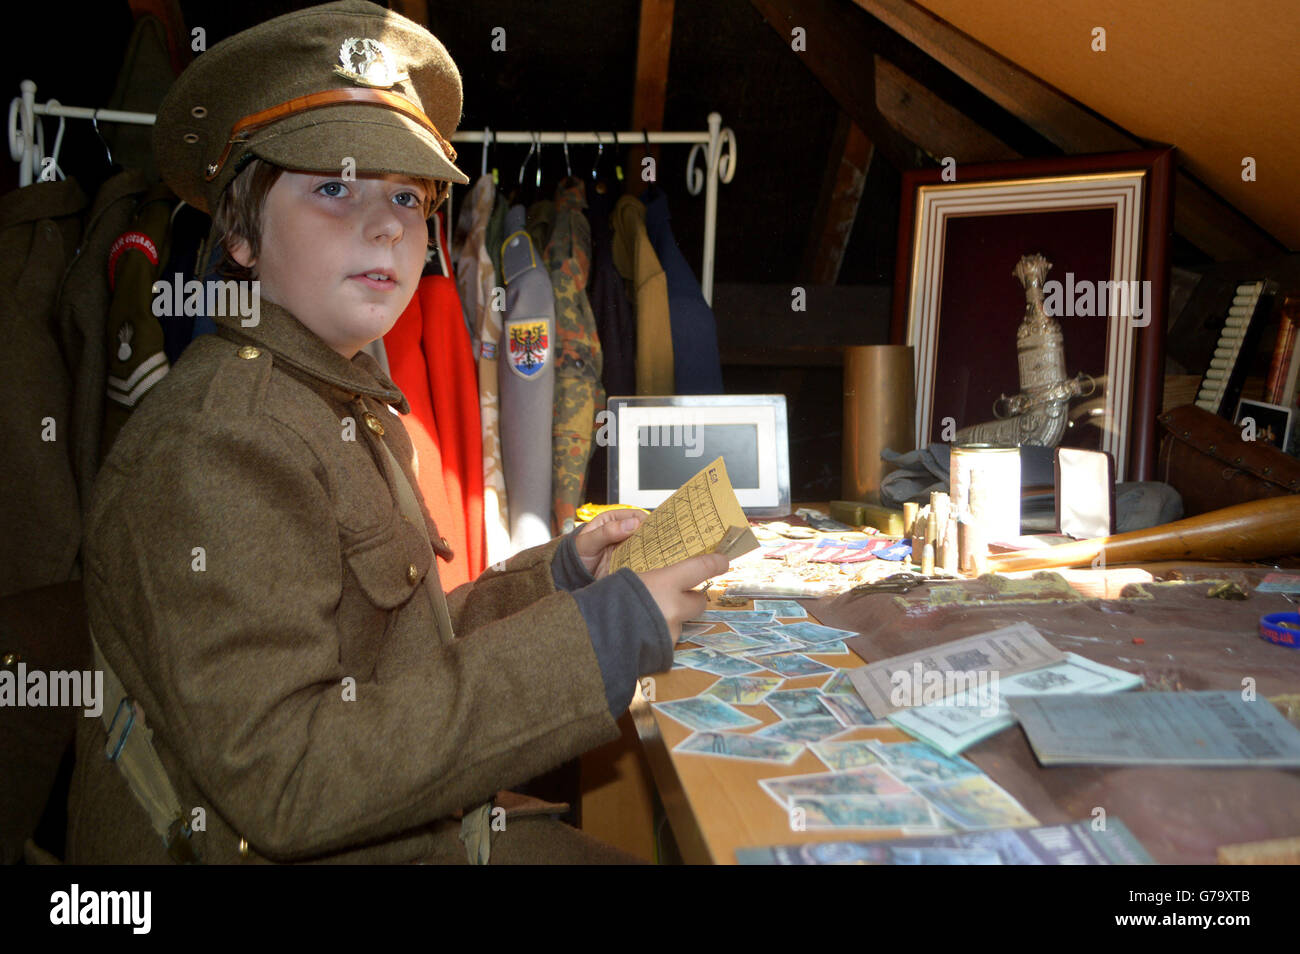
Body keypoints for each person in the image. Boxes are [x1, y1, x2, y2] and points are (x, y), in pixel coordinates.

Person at [67, 0, 726, 865]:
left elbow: (387, 659)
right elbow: (293, 778)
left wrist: (560, 581)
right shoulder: (220, 445)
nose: (386, 223)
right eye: (334, 186)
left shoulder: (331, 395)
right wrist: (594, 641)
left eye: (408, 197)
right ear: (239, 232)